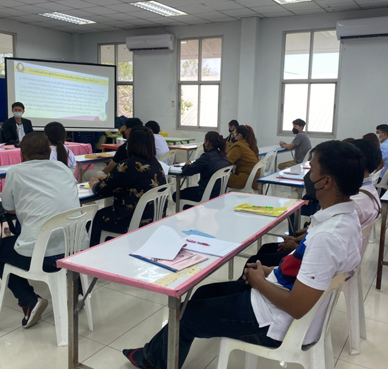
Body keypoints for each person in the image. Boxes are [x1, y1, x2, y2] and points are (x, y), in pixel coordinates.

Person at [122, 140, 364, 369]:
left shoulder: (327, 237)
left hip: (273, 323)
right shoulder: (346, 219)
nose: (308, 176)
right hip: (275, 301)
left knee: (188, 317)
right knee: (203, 293)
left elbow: (297, 306)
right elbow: (304, 270)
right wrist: (269, 271)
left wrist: (259, 282)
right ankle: (154, 354)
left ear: (326, 182)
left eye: (313, 170)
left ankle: (154, 361)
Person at [0, 132, 80, 328]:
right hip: (75, 251)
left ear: (22, 154)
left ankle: (28, 300)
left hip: (44, 257)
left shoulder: (16, 171)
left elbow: (8, 207)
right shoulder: (63, 168)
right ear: (49, 151)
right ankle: (78, 291)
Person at [243, 138, 382, 269]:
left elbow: (319, 253)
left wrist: (296, 246)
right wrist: (298, 240)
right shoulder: (364, 195)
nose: (310, 176)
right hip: (318, 256)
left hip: (309, 261)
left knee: (256, 261)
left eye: (313, 170)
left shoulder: (345, 211)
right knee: (265, 250)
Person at [88, 126, 167, 247]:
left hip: (131, 219)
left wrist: (93, 183)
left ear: (131, 144)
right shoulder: (156, 163)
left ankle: (94, 254)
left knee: (96, 219)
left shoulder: (126, 165)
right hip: (154, 217)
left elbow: (101, 190)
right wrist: (109, 179)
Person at [176, 131, 231, 204]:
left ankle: (192, 209)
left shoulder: (206, 157)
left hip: (205, 194)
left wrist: (186, 165)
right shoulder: (224, 156)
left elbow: (187, 171)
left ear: (207, 142)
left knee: (176, 195)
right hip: (219, 194)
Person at [226, 124, 259, 190]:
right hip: (255, 177)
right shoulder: (249, 144)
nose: (233, 135)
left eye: (235, 133)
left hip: (247, 178)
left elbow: (227, 161)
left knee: (220, 179)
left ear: (239, 136)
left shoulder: (238, 146)